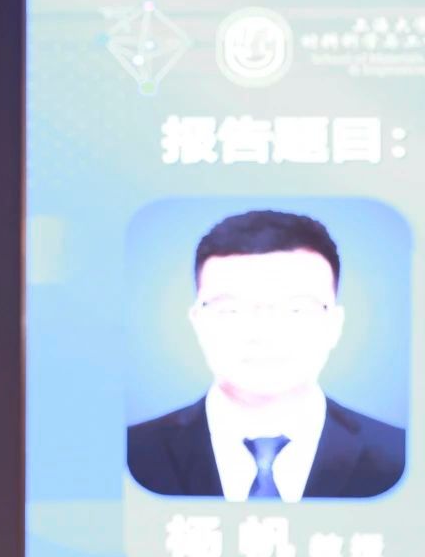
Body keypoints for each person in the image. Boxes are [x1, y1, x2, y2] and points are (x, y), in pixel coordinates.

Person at [128, 209, 404, 501]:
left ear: (334, 325)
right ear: (198, 322)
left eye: (296, 309)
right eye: (231, 310)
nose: (264, 333)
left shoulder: (403, 456)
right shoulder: (128, 454)